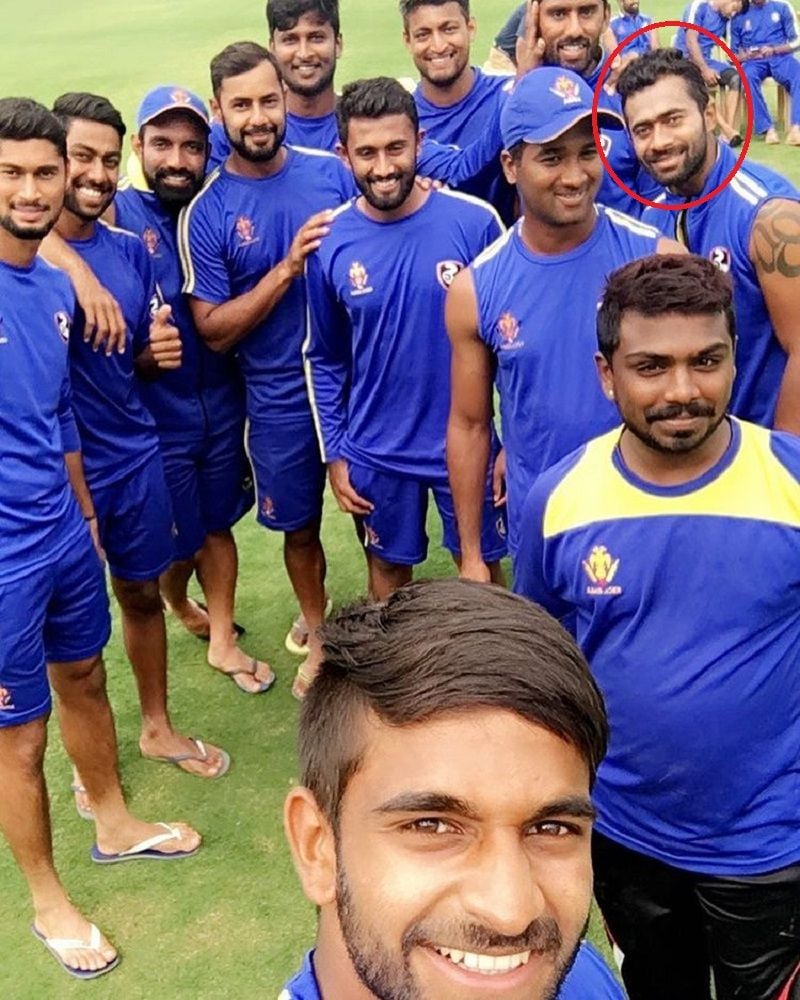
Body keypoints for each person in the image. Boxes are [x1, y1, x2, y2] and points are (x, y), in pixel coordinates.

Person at [514, 252, 800, 1000]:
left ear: (736, 358)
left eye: (706, 361)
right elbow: (544, 664)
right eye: (651, 366)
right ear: (608, 373)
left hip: (772, 843)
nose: (682, 390)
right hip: (626, 835)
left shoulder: (792, 483)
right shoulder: (560, 499)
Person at [0, 97, 200, 982]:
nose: (34, 189)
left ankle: (113, 822)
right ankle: (47, 897)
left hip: (62, 530)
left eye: (45, 171)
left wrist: (80, 510)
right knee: (20, 739)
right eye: (12, 172)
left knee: (85, 676)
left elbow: (55, 416)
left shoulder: (48, 286)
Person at [281, 578, 624, 1000]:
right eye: (433, 825)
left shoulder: (580, 977)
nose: (511, 913)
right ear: (317, 846)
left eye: (551, 828)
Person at [50, 92, 230, 790]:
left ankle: (156, 727)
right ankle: (86, 758)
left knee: (139, 597)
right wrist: (74, 269)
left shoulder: (131, 248)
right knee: (70, 643)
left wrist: (150, 353)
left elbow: (136, 358)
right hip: (55, 472)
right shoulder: (27, 251)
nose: (93, 175)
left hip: (131, 455)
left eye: (103, 158)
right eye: (77, 158)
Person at [447, 67, 680, 574]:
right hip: (542, 525)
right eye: (551, 157)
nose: (575, 176)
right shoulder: (475, 288)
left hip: (646, 522)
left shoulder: (657, 258)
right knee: (548, 654)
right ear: (510, 165)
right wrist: (471, 554)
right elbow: (469, 425)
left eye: (587, 152)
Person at [180, 42, 354, 697]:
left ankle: (384, 632)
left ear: (285, 99)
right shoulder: (210, 210)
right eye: (241, 104)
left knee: (376, 517)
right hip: (277, 399)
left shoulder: (330, 174)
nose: (258, 116)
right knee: (300, 529)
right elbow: (213, 330)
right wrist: (284, 270)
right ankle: (318, 630)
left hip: (355, 386)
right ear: (219, 110)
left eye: (268, 100)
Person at [304, 77, 507, 618]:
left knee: (487, 577)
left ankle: (497, 685)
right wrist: (336, 452)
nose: (384, 166)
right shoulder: (329, 242)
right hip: (376, 448)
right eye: (366, 153)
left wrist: (510, 441)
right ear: (344, 155)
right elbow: (324, 356)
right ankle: (400, 698)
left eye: (396, 148)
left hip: (468, 444)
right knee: (388, 583)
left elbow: (510, 343)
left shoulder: (475, 222)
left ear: (419, 142)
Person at [111, 87, 270, 694]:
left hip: (224, 406)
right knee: (179, 542)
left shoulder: (215, 207)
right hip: (157, 419)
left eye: (191, 146)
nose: (177, 159)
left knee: (218, 526)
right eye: (162, 144)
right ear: (138, 148)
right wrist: (141, 355)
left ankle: (223, 638)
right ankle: (179, 604)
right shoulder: (118, 216)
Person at [617, 48, 800, 433]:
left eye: (672, 120)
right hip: (701, 454)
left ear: (710, 116)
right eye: (643, 129)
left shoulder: (768, 216)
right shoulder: (655, 217)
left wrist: (784, 462)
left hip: (765, 453)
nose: (659, 141)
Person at [514, 0, 663, 215]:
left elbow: (658, 206)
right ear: (534, 19)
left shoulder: (632, 93)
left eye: (586, 12)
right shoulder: (510, 98)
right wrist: (523, 85)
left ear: (605, 18)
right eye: (558, 14)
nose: (574, 29)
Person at [401, 0, 517, 223]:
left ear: (470, 28)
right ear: (407, 40)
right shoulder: (401, 121)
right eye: (423, 34)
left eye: (449, 29)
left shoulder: (507, 92)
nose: (438, 45)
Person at [208, 0, 342, 169]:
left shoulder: (362, 122)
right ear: (272, 47)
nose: (304, 53)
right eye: (290, 39)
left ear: (338, 44)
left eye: (316, 38)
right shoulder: (226, 132)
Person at [731, 0, 800, 144]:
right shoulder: (739, 13)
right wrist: (746, 55)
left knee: (798, 74)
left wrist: (774, 49)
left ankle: (796, 128)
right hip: (754, 62)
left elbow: (797, 41)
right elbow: (731, 55)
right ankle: (768, 129)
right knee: (747, 77)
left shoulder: (782, 6)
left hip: (780, 56)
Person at [675, 0, 743, 145]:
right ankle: (726, 129)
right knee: (698, 85)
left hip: (706, 59)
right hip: (685, 59)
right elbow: (691, 41)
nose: (733, 13)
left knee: (736, 78)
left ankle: (727, 133)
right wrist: (704, 69)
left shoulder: (726, 19)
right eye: (734, 8)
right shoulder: (698, 7)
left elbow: (733, 46)